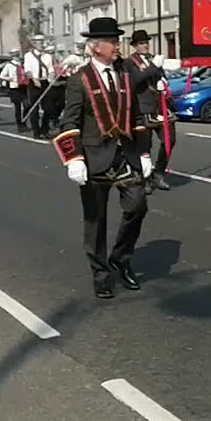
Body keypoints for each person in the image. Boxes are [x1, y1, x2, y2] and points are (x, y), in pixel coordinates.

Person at [52, 17, 152, 299]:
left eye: (117, 40)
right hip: (93, 156)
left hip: (125, 154)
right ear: (96, 47)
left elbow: (136, 116)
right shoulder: (78, 79)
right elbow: (69, 121)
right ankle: (100, 272)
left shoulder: (125, 75)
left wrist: (144, 152)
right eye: (112, 41)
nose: (117, 45)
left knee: (138, 206)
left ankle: (120, 257)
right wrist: (74, 158)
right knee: (95, 220)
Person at [124, 30, 176, 193]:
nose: (145, 45)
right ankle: (145, 177)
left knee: (169, 140)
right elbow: (135, 80)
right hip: (143, 107)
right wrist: (154, 66)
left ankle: (159, 172)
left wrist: (163, 83)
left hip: (160, 106)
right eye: (140, 43)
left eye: (146, 42)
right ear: (134, 46)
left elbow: (159, 76)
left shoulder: (155, 58)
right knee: (144, 146)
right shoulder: (129, 62)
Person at [24, 35, 56, 138]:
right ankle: (36, 132)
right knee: (34, 109)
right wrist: (34, 79)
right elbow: (27, 70)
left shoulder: (47, 56)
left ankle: (44, 128)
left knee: (48, 108)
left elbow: (51, 69)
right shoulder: (28, 55)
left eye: (42, 42)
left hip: (44, 82)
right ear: (34, 44)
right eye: (39, 42)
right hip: (34, 83)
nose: (41, 44)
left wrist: (51, 74)